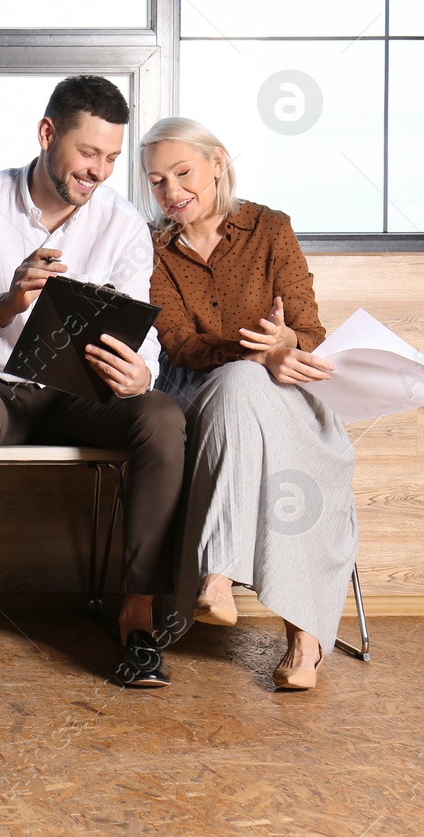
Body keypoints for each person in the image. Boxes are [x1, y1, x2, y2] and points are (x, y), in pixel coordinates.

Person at [0, 75, 186, 688]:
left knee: (163, 417)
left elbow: (141, 323)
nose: (98, 170)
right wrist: (7, 300)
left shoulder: (123, 222)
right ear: (48, 135)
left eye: (110, 158)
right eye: (88, 153)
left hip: (77, 390)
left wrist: (140, 369)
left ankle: (137, 620)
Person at [142, 116, 354, 691]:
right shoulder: (154, 248)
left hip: (285, 395)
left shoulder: (270, 228)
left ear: (218, 163)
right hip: (195, 395)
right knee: (238, 383)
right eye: (157, 181)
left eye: (183, 174)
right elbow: (181, 345)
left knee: (262, 411)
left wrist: (285, 346)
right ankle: (303, 638)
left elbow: (310, 332)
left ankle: (219, 573)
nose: (172, 192)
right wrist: (254, 353)